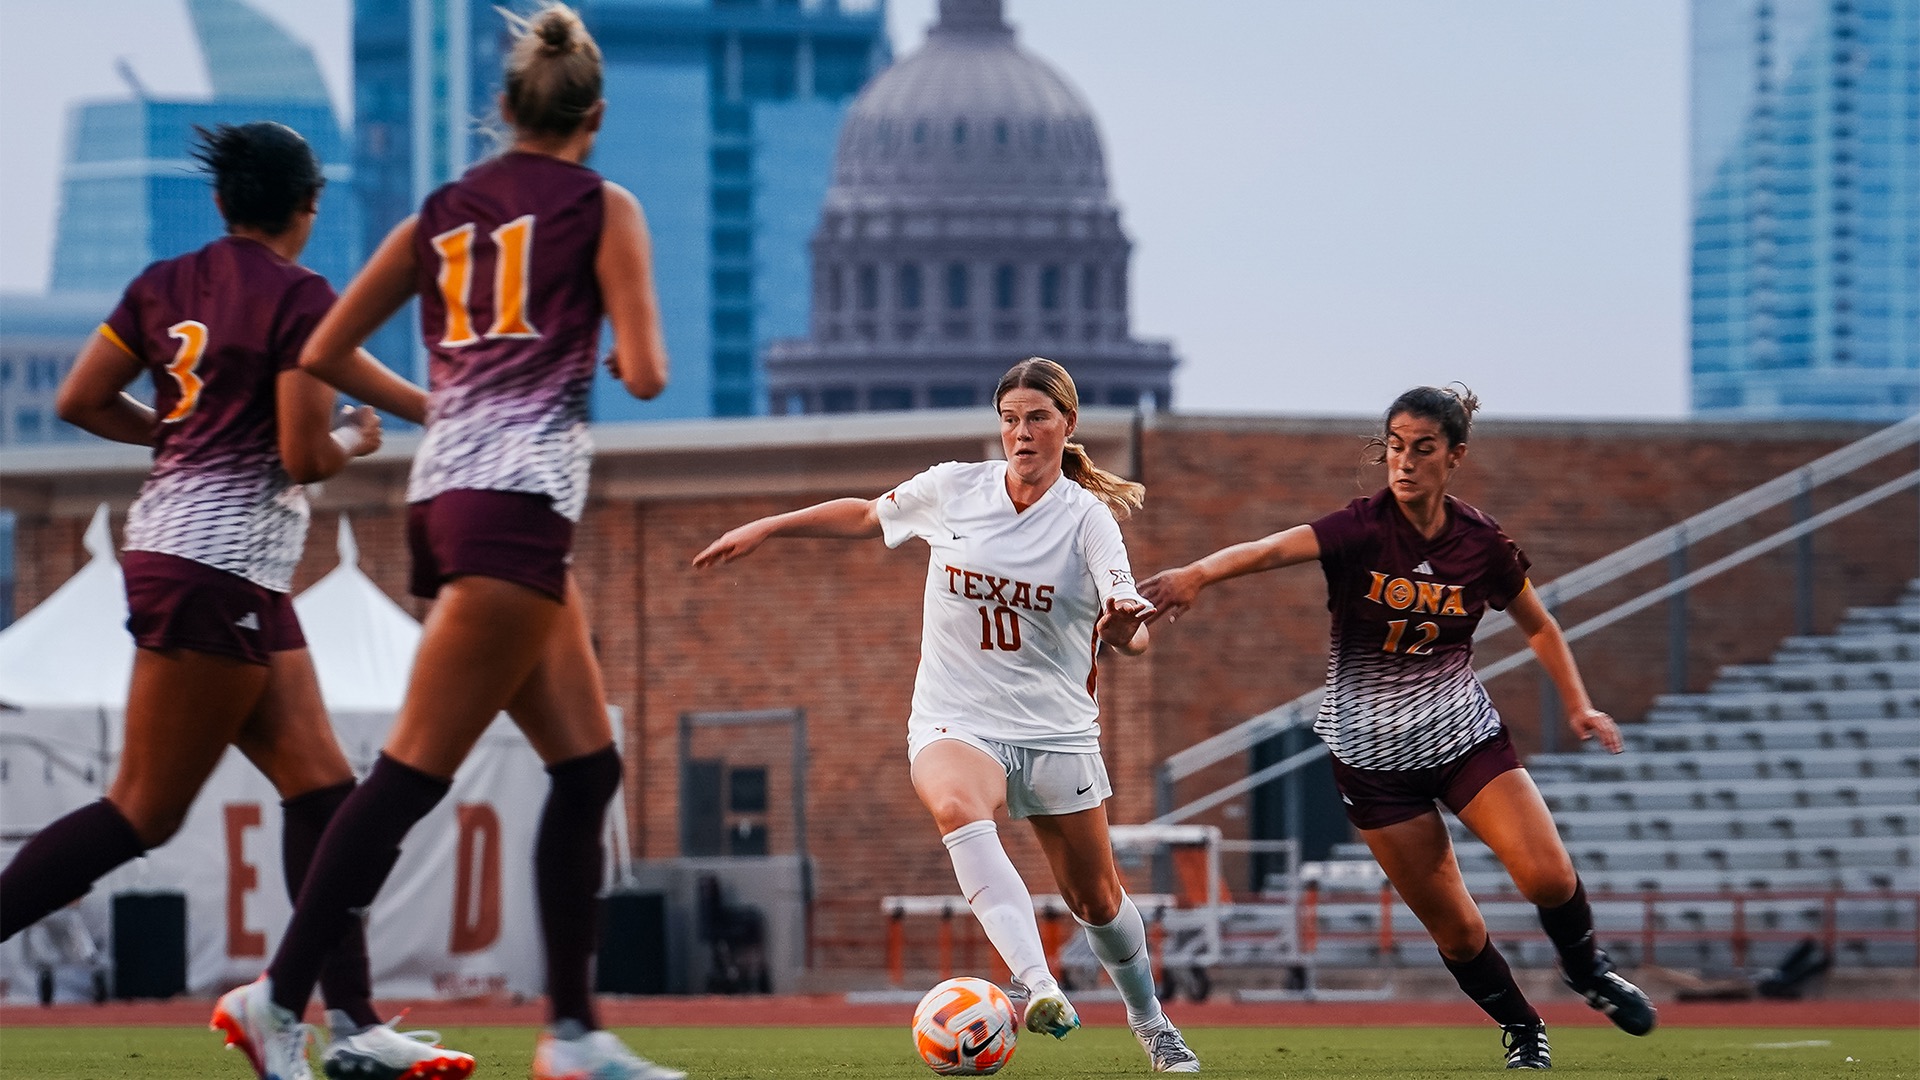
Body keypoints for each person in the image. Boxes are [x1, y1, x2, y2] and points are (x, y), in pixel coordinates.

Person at [213, 7, 679, 1080]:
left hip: (449, 497)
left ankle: (572, 1030)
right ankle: (278, 996)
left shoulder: (440, 210)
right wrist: (611, 362)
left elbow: (323, 347)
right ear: (593, 118)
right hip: (517, 502)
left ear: (505, 110)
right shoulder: (605, 207)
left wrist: (443, 396)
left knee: (588, 767)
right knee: (410, 776)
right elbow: (648, 373)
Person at [2, 122, 473, 1079]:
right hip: (216, 569)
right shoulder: (299, 295)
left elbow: (82, 400)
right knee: (143, 811)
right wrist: (355, 442)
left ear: (220, 204)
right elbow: (304, 455)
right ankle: (314, 1021)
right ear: (309, 210)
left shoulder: (160, 284)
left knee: (326, 793)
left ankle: (352, 1023)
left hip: (221, 567)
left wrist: (178, 436)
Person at [696, 357, 1201, 1074]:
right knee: (957, 805)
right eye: (1009, 420)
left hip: (1056, 730)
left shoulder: (1088, 520)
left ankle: (1150, 1021)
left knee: (1096, 898)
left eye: (1036, 418)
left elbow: (1134, 630)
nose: (1020, 434)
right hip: (955, 716)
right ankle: (1038, 984)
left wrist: (1125, 629)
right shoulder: (954, 487)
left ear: (1068, 425)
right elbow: (866, 514)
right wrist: (771, 525)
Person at [1139, 385, 1656, 1070]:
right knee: (1457, 927)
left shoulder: (1482, 543)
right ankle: (1523, 1027)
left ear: (1454, 456)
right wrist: (1196, 574)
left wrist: (1579, 704)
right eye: (1394, 448)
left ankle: (1588, 970)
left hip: (1461, 738)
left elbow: (1538, 623)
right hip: (1373, 763)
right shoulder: (1359, 529)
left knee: (1547, 876)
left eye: (1422, 449)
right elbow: (1269, 550)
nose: (1404, 462)